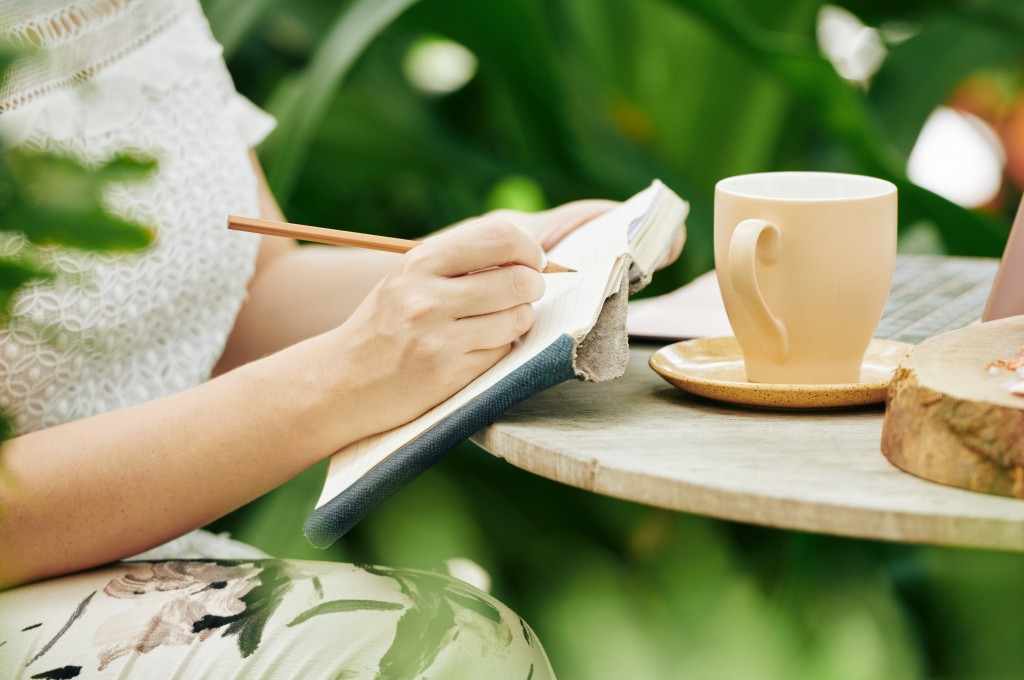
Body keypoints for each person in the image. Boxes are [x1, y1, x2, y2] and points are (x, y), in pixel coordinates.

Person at [0, 1, 682, 678]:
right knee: (434, 647)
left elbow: (249, 295)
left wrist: (479, 269)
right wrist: (345, 379)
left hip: (132, 556)